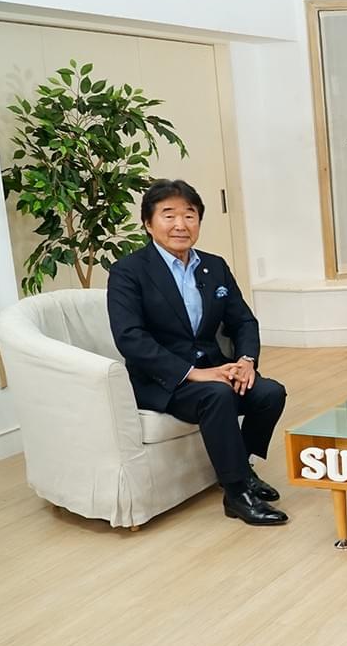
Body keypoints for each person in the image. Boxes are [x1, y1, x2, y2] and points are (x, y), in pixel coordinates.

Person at [108, 179, 289, 526]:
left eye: (189, 215)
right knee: (217, 395)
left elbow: (243, 321)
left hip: (214, 369)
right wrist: (192, 373)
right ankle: (237, 494)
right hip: (162, 380)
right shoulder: (129, 272)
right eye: (169, 215)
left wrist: (246, 362)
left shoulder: (214, 266)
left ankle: (242, 467)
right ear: (148, 223)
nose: (180, 225)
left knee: (269, 393)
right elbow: (130, 337)